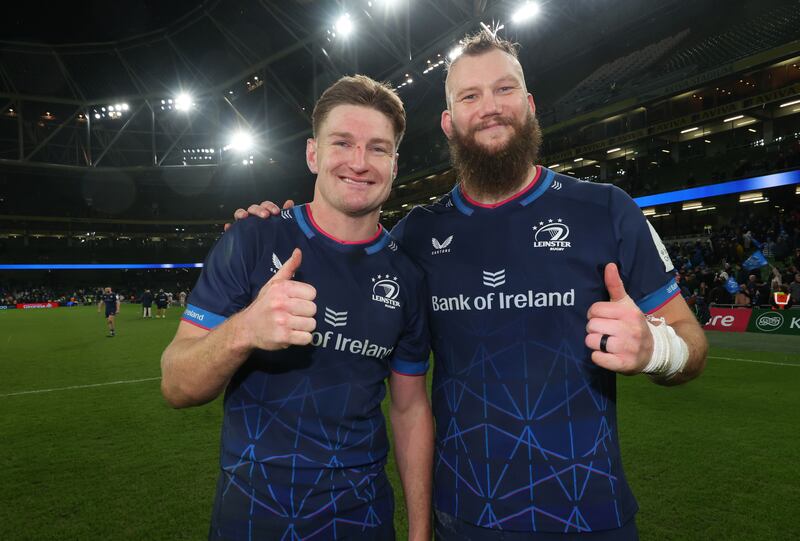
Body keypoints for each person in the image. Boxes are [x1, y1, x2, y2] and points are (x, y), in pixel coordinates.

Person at [235, 29, 708, 540]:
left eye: (504, 89)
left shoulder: (608, 209)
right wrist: (274, 227)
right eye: (469, 96)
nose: (490, 107)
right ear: (449, 122)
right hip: (462, 517)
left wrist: (656, 350)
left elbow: (691, 342)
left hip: (589, 514)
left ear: (529, 104)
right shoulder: (417, 234)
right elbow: (342, 257)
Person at [161, 75, 433, 541]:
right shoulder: (251, 239)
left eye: (378, 148)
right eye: (342, 143)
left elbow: (409, 410)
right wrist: (246, 329)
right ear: (312, 154)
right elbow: (176, 385)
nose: (359, 162)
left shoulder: (406, 276)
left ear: (394, 163)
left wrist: (420, 533)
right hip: (250, 522)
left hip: (360, 522)